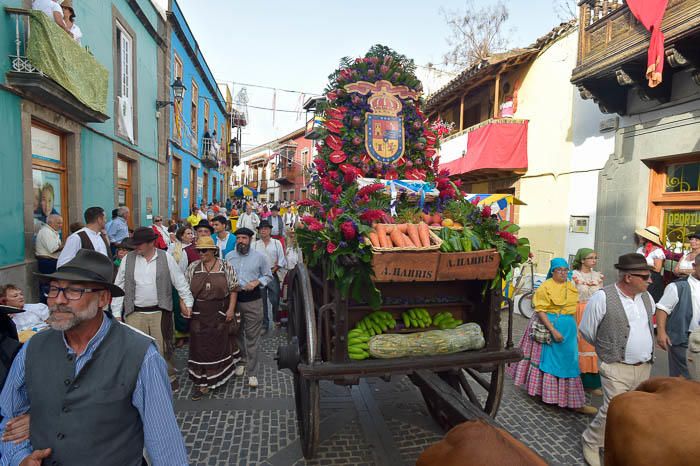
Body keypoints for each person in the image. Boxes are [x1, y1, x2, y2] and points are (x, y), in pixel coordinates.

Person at [0, 249, 188, 465]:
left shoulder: (141, 355)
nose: (58, 300)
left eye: (73, 291)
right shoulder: (33, 347)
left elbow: (163, 441)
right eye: (53, 289)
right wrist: (19, 458)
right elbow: (10, 419)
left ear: (103, 298)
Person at [578, 253, 655, 466]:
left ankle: (617, 441)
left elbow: (648, 326)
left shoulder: (647, 297)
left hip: (644, 366)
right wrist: (608, 350)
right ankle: (591, 441)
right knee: (613, 409)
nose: (650, 280)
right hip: (615, 366)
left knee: (633, 410)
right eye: (646, 276)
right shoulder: (603, 297)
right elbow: (587, 331)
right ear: (629, 277)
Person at [508, 258, 595, 415]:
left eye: (565, 270)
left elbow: (572, 310)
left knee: (571, 362)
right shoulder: (545, 287)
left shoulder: (570, 286)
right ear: (552, 271)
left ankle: (573, 401)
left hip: (568, 328)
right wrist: (553, 331)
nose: (563, 273)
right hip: (550, 325)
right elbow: (541, 311)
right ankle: (548, 395)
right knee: (549, 360)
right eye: (559, 270)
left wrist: (576, 330)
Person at [111, 227, 194, 391]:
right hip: (134, 313)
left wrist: (188, 302)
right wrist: (116, 313)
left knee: (164, 347)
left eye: (139, 244)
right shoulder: (129, 260)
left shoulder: (166, 258)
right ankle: (141, 380)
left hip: (160, 312)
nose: (136, 247)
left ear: (151, 243)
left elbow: (180, 282)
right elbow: (119, 286)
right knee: (136, 349)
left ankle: (169, 377)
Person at [186, 237, 239, 400]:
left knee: (217, 344)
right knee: (198, 347)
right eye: (199, 250)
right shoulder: (193, 267)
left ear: (213, 251)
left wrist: (230, 309)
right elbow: (185, 291)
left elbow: (234, 289)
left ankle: (217, 376)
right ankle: (201, 381)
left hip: (218, 312)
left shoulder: (225, 266)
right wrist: (185, 307)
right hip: (198, 314)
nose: (201, 253)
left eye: (204, 250)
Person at [225, 227, 273, 389]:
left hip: (253, 301)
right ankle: (242, 360)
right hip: (234, 301)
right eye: (238, 238)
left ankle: (252, 373)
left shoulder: (260, 257)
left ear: (250, 240)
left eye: (244, 238)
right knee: (237, 333)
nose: (240, 241)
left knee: (252, 337)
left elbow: (268, 275)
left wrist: (257, 282)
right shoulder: (229, 257)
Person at [656, 255, 700, 380]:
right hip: (683, 338)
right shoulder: (677, 286)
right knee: (684, 378)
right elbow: (662, 309)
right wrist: (661, 332)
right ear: (694, 267)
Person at [571, 248, 604, 395]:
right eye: (591, 258)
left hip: (594, 311)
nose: (594, 260)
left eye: (595, 258)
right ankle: (577, 379)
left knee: (592, 346)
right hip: (578, 311)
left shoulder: (597, 276)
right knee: (580, 345)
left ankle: (592, 382)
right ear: (582, 260)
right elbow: (571, 295)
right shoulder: (574, 276)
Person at [254, 220, 286, 332]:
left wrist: (274, 269)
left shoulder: (276, 243)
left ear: (270, 230)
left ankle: (276, 318)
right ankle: (264, 324)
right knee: (262, 301)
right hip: (260, 276)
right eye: (261, 229)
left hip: (272, 273)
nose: (263, 230)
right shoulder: (255, 244)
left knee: (275, 298)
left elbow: (281, 259)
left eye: (265, 228)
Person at [168, 226, 196, 348]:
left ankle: (190, 333)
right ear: (181, 235)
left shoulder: (194, 248)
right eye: (188, 233)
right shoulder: (173, 247)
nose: (191, 235)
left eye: (191, 233)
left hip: (190, 281)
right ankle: (180, 335)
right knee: (179, 310)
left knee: (190, 308)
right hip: (176, 281)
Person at [634, 225, 665, 301]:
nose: (640, 237)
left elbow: (657, 269)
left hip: (652, 279)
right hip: (639, 276)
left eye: (643, 236)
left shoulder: (657, 251)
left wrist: (642, 264)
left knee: (648, 300)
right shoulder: (640, 249)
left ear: (647, 238)